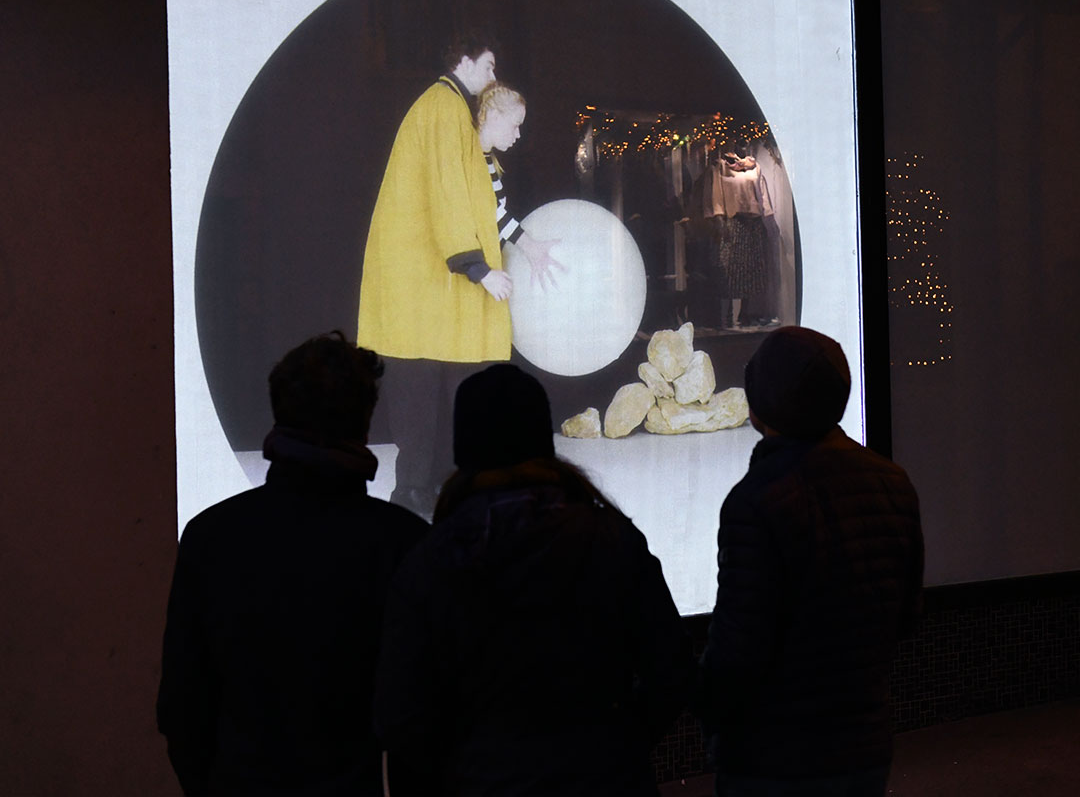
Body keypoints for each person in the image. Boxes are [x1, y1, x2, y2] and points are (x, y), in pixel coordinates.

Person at [374, 364, 692, 796]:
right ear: (542, 439)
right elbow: (671, 670)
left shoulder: (430, 562)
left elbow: (403, 719)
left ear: (463, 446)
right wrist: (619, 746)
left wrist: (466, 772)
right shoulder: (612, 540)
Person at [157, 332, 428, 796]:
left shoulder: (211, 537)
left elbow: (182, 709)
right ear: (365, 423)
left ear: (278, 410)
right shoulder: (402, 543)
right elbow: (422, 717)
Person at [699, 326, 923, 797]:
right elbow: (904, 616)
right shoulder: (894, 482)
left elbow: (738, 652)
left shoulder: (756, 502)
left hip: (774, 759)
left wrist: (708, 714)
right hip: (863, 745)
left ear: (759, 405)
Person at [356, 39, 557, 519]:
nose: (493, 76)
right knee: (422, 399)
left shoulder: (447, 112)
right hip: (424, 288)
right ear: (463, 61)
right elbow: (449, 197)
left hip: (426, 292)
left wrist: (524, 247)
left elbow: (486, 208)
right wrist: (477, 267)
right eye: (489, 65)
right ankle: (413, 499)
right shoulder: (444, 108)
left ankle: (427, 496)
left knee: (432, 397)